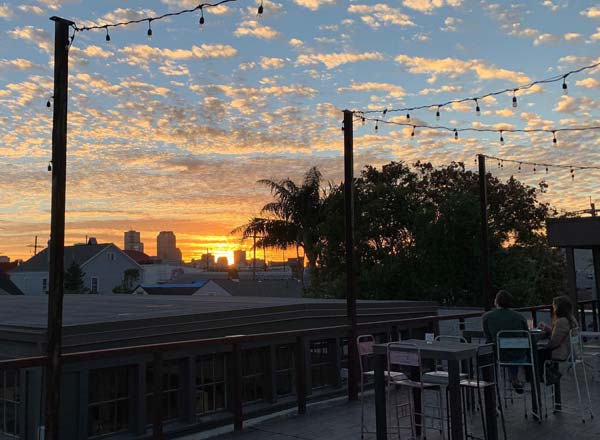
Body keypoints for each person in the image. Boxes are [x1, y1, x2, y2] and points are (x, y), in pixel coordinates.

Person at [482, 290, 528, 392]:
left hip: (499, 355)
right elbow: (526, 336)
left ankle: (487, 382)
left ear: (496, 301)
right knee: (514, 352)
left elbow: (488, 339)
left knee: (492, 351)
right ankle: (515, 379)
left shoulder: (487, 317)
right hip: (519, 355)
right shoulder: (520, 317)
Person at [537, 296, 578, 381]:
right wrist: (548, 329)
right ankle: (541, 375)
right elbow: (561, 334)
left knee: (537, 352)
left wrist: (544, 345)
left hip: (562, 353)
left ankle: (538, 377)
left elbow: (554, 342)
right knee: (541, 350)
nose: (553, 308)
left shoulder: (561, 321)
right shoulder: (571, 319)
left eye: (554, 306)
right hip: (570, 351)